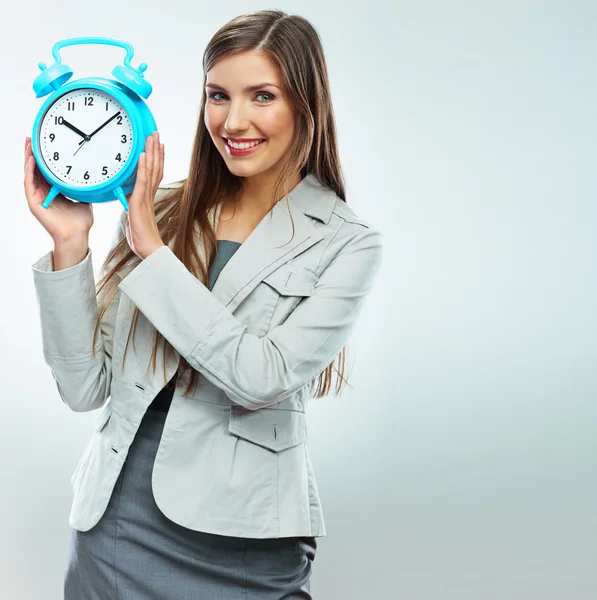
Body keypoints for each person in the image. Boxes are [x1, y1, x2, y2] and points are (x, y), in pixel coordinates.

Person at [25, 9, 383, 599]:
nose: (233, 120)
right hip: (118, 524)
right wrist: (70, 244)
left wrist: (152, 252)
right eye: (219, 95)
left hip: (248, 541)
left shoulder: (346, 241)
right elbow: (84, 388)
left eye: (262, 96)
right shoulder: (164, 210)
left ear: (305, 105)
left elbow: (261, 377)